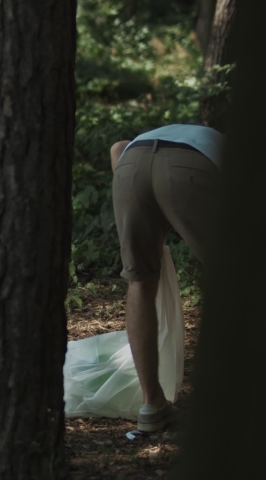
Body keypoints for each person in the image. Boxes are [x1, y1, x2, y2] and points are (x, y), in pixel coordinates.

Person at [110, 124, 223, 432]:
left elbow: (117, 149)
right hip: (188, 168)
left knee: (140, 280)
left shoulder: (158, 136)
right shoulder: (224, 147)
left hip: (130, 164)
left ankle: (152, 405)